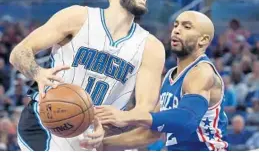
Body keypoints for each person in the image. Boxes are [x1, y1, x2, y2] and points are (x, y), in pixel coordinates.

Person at [9, 0, 165, 151]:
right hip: (49, 124)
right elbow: (19, 52)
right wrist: (38, 73)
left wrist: (118, 121)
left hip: (98, 134)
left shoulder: (152, 47)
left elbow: (144, 110)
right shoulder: (78, 17)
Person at [95, 11, 229, 151]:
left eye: (186, 27)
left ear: (203, 40)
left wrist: (127, 116)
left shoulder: (201, 72)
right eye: (176, 25)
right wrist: (99, 144)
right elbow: (149, 134)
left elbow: (188, 120)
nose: (176, 30)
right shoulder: (171, 75)